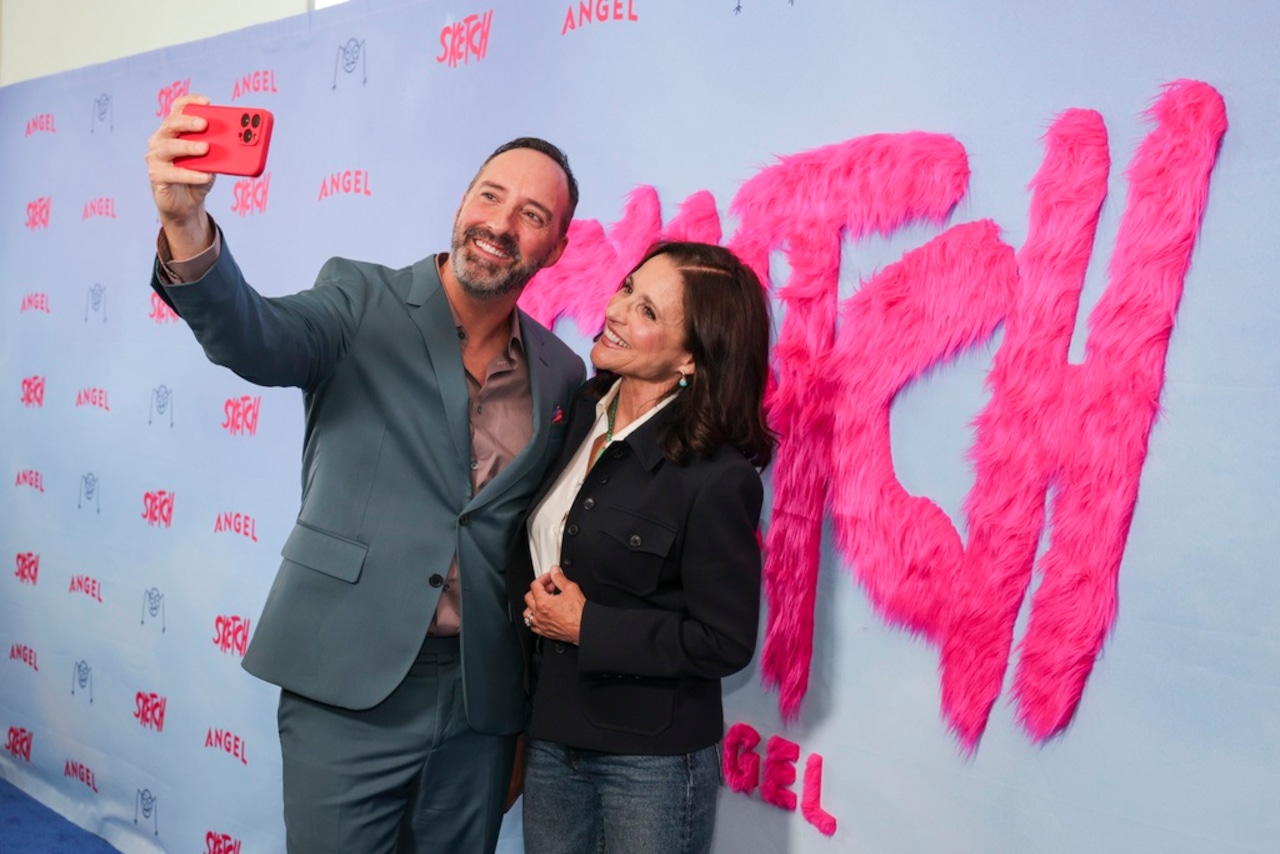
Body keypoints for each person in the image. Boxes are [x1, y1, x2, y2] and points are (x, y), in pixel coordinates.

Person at [144, 94, 585, 853]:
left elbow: (532, 540)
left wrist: (523, 712)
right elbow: (256, 336)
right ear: (462, 202)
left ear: (555, 247)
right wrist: (187, 225)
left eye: (532, 216)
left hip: (480, 701)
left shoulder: (561, 371)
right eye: (490, 195)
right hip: (346, 682)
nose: (502, 224)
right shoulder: (359, 297)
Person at [511, 241, 776, 853]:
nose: (618, 309)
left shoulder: (717, 476)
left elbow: (725, 640)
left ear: (691, 357)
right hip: (552, 739)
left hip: (649, 765)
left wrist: (588, 627)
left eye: (649, 311)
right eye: (628, 288)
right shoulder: (579, 410)